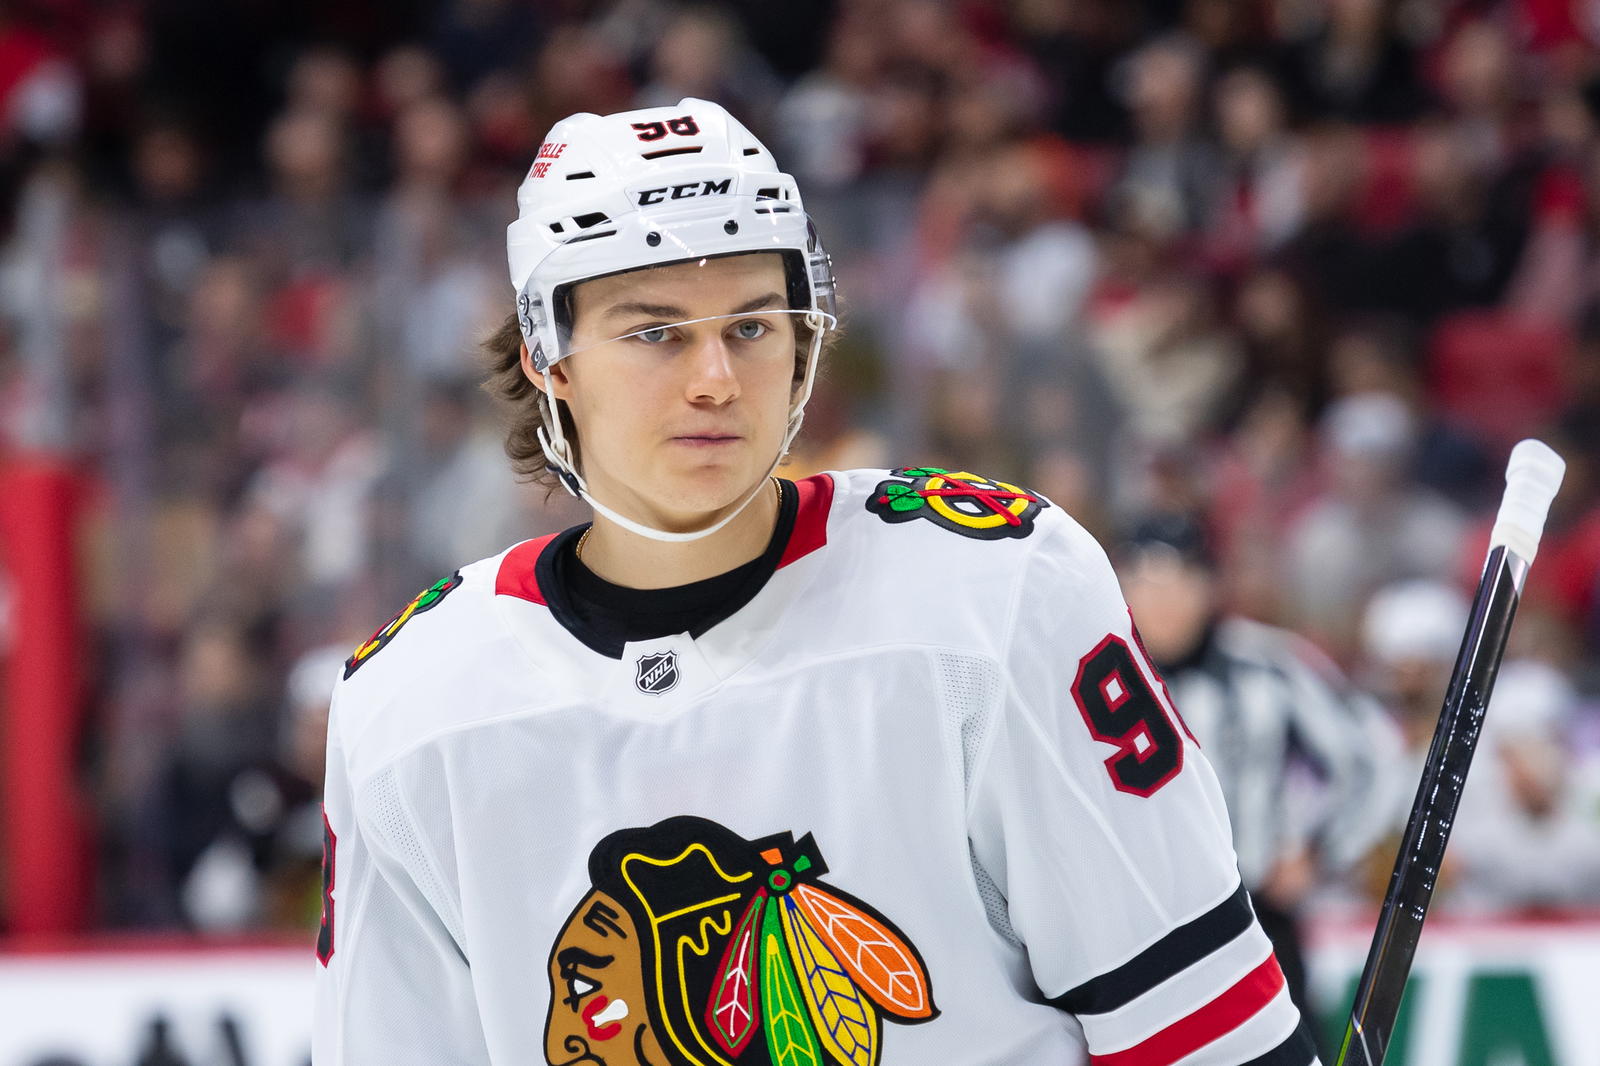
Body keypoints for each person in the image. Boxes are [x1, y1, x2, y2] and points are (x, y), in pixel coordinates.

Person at [312, 98, 1320, 1065]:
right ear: (549, 358)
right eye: (656, 332)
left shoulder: (1000, 588)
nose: (715, 378)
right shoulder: (410, 705)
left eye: (752, 325)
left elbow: (1202, 1040)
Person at [1119, 514, 1405, 1056]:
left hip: (1254, 919)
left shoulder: (1266, 666)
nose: (1165, 600)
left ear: (1210, 585)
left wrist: (1320, 851)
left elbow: (1371, 757)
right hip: (1129, 930)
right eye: (1147, 581)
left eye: (1182, 579)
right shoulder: (1094, 674)